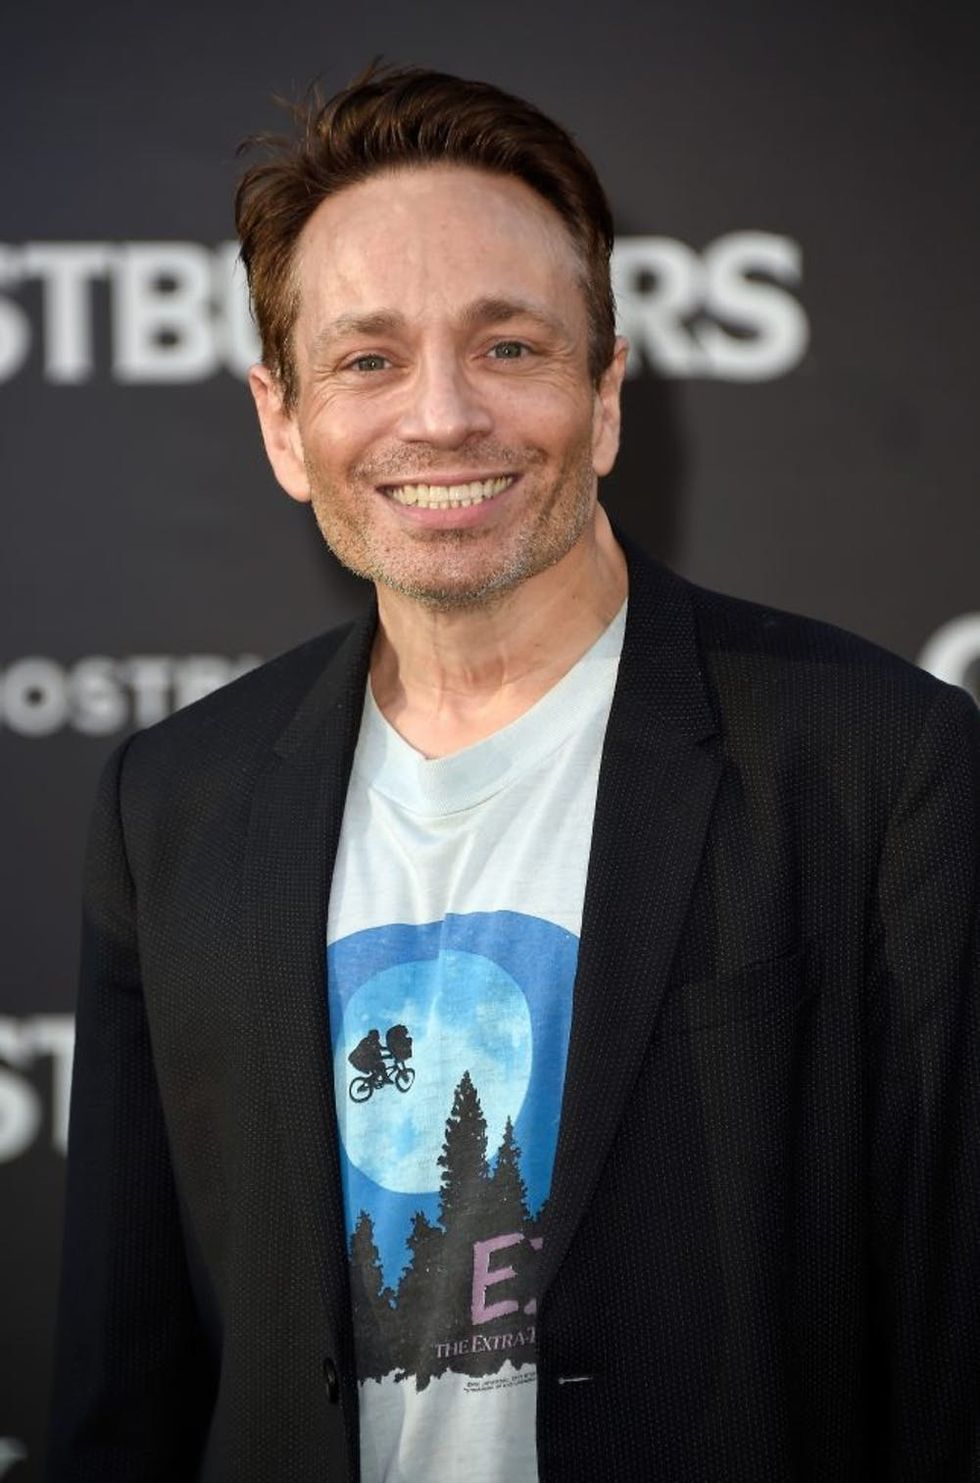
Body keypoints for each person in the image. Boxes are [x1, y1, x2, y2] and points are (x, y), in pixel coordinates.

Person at [48, 64, 979, 1483]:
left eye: (509, 348)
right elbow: (125, 1391)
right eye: (367, 360)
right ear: (282, 425)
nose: (441, 417)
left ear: (605, 396)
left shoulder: (878, 764)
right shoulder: (173, 806)